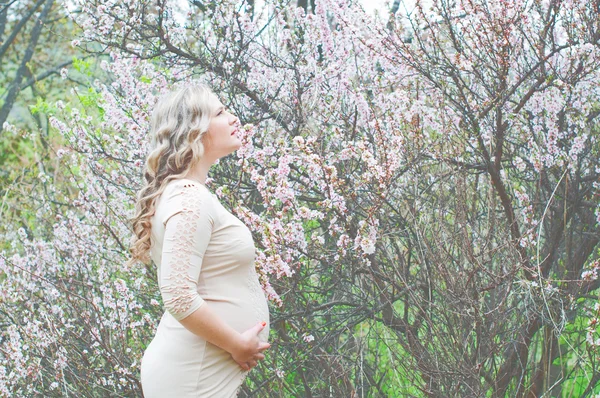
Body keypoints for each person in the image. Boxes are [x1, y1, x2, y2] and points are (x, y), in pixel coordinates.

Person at [128, 83, 271, 397]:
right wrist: (238, 346)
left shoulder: (188, 195)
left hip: (197, 368)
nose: (234, 119)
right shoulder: (189, 200)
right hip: (191, 376)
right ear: (195, 131)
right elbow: (178, 295)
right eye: (221, 112)